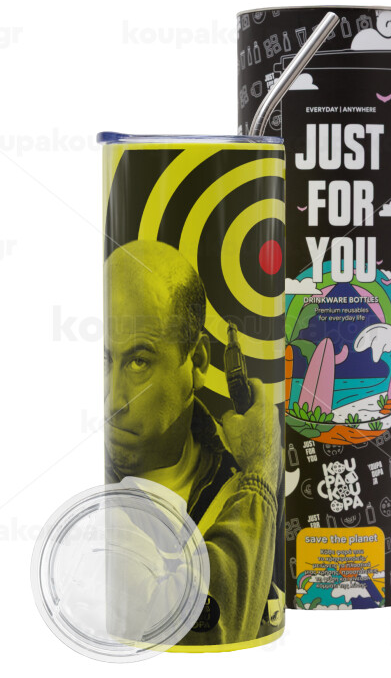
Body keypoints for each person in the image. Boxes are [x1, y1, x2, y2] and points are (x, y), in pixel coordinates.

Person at [103, 239, 283, 646]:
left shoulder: (237, 478)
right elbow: (202, 627)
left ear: (198, 360)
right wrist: (259, 471)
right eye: (104, 360)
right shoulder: (257, 477)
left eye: (139, 361)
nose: (112, 401)